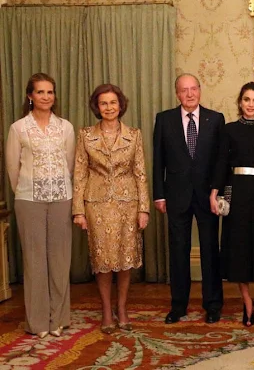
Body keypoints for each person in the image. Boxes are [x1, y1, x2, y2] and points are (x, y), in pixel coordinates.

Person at [72, 84, 150, 333]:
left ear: (120, 105)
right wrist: (78, 211)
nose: (109, 108)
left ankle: (123, 307)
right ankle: (107, 309)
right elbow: (79, 174)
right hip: (97, 206)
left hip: (128, 204)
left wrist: (144, 209)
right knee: (102, 260)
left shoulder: (134, 135)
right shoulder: (85, 135)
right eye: (104, 103)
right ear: (97, 106)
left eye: (113, 103)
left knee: (125, 260)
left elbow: (140, 173)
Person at [5, 73, 75, 338]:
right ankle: (37, 323)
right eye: (41, 92)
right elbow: (13, 168)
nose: (46, 97)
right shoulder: (18, 128)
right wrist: (26, 190)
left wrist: (57, 188)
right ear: (30, 96)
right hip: (28, 199)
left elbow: (69, 165)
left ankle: (58, 319)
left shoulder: (66, 127)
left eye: (50, 92)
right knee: (34, 262)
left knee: (59, 259)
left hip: (61, 198)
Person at [153, 74, 225, 324]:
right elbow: (158, 160)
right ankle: (178, 306)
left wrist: (218, 192)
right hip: (176, 196)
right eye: (184, 90)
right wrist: (159, 195)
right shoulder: (164, 120)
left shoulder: (215, 119)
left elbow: (220, 161)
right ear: (177, 94)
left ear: (200, 91)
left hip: (208, 197)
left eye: (194, 89)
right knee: (178, 251)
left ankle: (213, 305)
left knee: (209, 251)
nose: (190, 94)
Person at [210, 82, 254, 327]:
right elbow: (221, 164)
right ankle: (247, 302)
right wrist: (214, 193)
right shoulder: (229, 130)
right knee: (238, 248)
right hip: (236, 193)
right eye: (246, 99)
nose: (250, 104)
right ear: (240, 102)